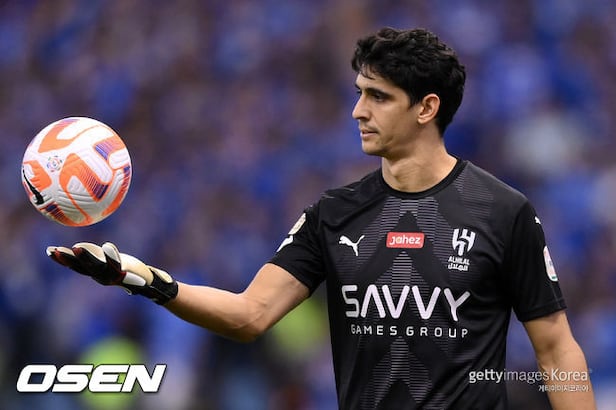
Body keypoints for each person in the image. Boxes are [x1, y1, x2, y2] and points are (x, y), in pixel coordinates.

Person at [47, 27, 596, 409]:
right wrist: (141, 278)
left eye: (378, 97)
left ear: (427, 108)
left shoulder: (503, 212)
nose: (358, 111)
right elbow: (248, 315)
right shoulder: (334, 214)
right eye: (360, 94)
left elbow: (556, 350)